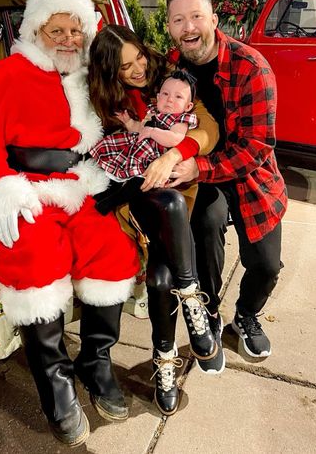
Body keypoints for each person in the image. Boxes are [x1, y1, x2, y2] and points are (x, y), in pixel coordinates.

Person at [0, 0, 140, 447]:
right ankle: (55, 384)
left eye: (76, 30)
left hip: (83, 184)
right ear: (36, 31)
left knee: (113, 250)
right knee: (33, 257)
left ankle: (95, 363)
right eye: (58, 30)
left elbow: (135, 114)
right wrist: (2, 191)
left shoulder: (91, 74)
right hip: (26, 188)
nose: (68, 39)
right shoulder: (7, 74)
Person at [87, 24, 220, 416]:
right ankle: (191, 299)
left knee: (163, 278)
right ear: (110, 71)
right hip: (139, 198)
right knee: (171, 215)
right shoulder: (107, 104)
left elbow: (207, 127)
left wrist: (177, 156)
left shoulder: (170, 82)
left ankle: (166, 360)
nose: (138, 68)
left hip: (175, 186)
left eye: (139, 56)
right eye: (126, 66)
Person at [164, 0, 288, 374]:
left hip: (250, 174)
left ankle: (246, 314)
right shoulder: (173, 69)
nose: (188, 27)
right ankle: (210, 314)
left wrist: (197, 166)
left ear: (214, 20)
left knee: (266, 264)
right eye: (178, 19)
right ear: (169, 26)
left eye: (196, 16)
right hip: (202, 174)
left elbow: (256, 148)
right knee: (204, 225)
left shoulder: (251, 66)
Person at [90, 70, 198, 214]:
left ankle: (114, 200)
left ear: (188, 106)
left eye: (178, 97)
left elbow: (175, 139)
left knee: (139, 182)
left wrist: (153, 132)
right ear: (158, 97)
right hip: (136, 150)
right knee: (116, 165)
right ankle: (105, 193)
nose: (170, 100)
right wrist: (128, 122)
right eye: (165, 94)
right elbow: (140, 128)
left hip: (154, 158)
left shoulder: (180, 119)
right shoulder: (153, 112)